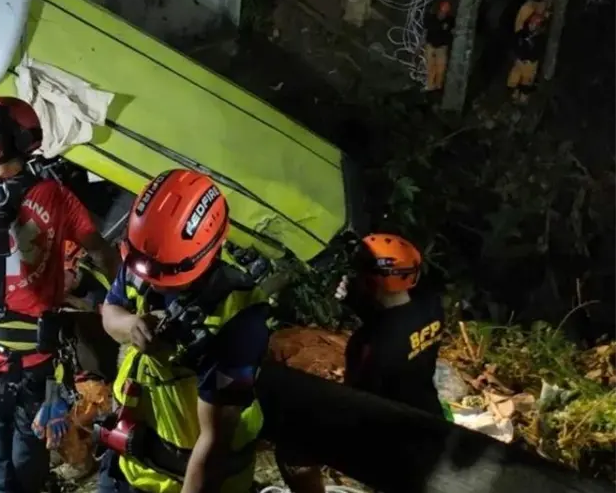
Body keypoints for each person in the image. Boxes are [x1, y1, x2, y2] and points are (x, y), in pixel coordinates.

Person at [0, 96, 119, 493]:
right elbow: (99, 249)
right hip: (36, 356)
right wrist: (121, 303)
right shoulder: (56, 198)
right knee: (29, 441)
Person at [96, 169, 268, 493]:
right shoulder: (146, 257)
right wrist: (130, 325)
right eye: (148, 270)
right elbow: (110, 312)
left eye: (166, 273)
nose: (153, 281)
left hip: (190, 478)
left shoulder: (238, 321)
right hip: (134, 461)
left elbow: (214, 442)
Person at [277, 233, 446, 493]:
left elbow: (356, 401)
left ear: (371, 283)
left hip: (389, 437)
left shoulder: (369, 345)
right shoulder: (432, 306)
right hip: (428, 413)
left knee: (292, 451)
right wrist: (357, 300)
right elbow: (396, 321)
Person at [508, 12, 547, 103]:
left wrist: (530, 60)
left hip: (530, 64)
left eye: (534, 24)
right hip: (519, 61)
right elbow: (513, 44)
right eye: (531, 23)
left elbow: (538, 53)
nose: (531, 26)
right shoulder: (522, 34)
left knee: (527, 82)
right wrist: (515, 57)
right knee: (513, 78)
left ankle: (523, 99)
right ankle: (513, 96)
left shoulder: (540, 40)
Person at [424, 0, 455, 92]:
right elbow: (426, 31)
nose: (443, 13)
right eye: (442, 10)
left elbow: (453, 32)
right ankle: (429, 86)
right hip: (431, 45)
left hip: (442, 47)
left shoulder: (450, 21)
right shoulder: (431, 18)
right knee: (430, 67)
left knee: (440, 69)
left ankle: (438, 86)